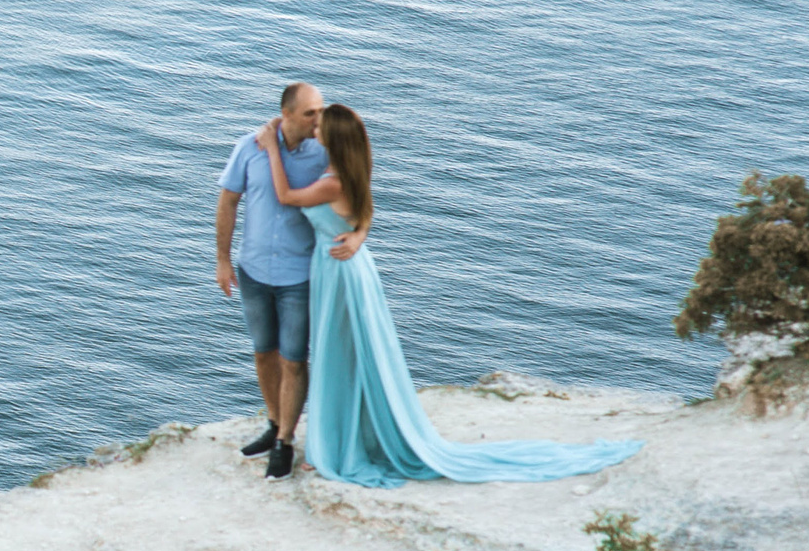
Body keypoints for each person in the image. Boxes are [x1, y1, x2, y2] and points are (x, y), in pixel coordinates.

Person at [253, 105, 643, 486]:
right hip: (346, 267)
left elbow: (286, 197)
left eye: (321, 125)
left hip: (339, 272)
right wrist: (358, 233)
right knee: (348, 356)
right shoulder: (352, 173)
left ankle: (341, 448)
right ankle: (346, 439)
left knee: (341, 356)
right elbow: (366, 212)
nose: (314, 128)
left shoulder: (332, 182)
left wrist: (272, 147)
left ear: (334, 139)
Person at [215, 83, 363, 479]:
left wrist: (360, 232)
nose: (319, 119)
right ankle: (274, 422)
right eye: (311, 113)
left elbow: (360, 189)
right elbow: (228, 201)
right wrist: (222, 260)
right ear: (287, 114)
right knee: (264, 352)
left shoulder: (325, 152)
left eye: (320, 111)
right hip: (254, 269)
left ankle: (285, 441)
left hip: (301, 274)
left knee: (293, 359)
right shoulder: (249, 146)